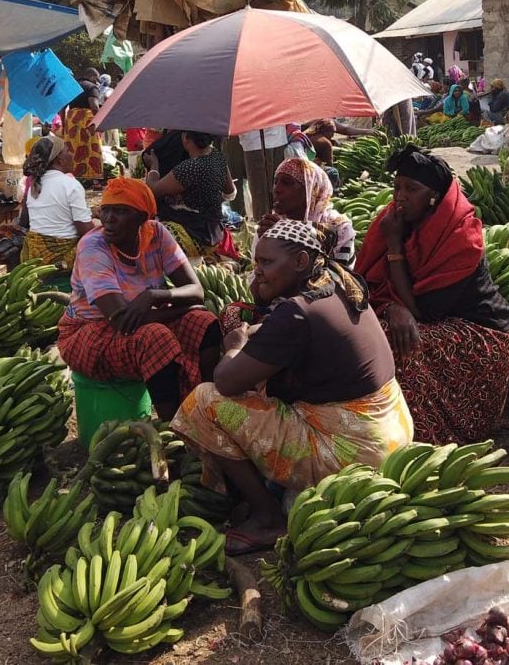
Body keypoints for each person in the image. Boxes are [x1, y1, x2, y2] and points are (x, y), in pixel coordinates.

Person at [172, 220, 411, 553]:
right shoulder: (337, 282)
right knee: (260, 381)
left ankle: (267, 519)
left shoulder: (297, 313)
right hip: (390, 432)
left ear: (300, 261)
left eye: (267, 263)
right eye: (255, 263)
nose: (258, 273)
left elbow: (225, 381)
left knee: (204, 402)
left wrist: (235, 345)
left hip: (352, 449)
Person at [356, 145, 509, 444]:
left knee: (396, 342)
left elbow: (423, 313)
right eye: (397, 187)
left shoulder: (460, 238)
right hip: (435, 321)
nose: (400, 196)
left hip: (481, 335)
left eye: (411, 189)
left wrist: (394, 246)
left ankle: (430, 433)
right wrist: (391, 305)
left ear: (433, 197)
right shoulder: (396, 221)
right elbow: (366, 283)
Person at [57, 177, 222, 422]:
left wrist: (154, 295)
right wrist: (178, 310)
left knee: (205, 322)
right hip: (88, 333)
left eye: (121, 211)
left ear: (143, 218)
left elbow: (196, 291)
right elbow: (121, 320)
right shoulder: (93, 247)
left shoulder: (157, 234)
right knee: (155, 338)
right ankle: (175, 426)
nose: (109, 219)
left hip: (144, 318)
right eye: (106, 210)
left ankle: (207, 404)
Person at [144, 130, 235, 260]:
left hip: (197, 235)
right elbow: (230, 193)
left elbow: (152, 190)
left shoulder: (189, 168)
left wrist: (154, 166)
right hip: (215, 232)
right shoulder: (218, 157)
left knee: (153, 229)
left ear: (185, 138)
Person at [256, 157, 356, 265]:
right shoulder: (272, 224)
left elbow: (338, 276)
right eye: (276, 182)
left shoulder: (339, 228)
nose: (277, 189)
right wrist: (266, 243)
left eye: (287, 183)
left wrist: (287, 236)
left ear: (311, 190)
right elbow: (260, 274)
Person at [20, 135, 93, 271]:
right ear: (59, 159)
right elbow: (85, 230)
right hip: (60, 258)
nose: (72, 155)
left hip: (33, 257)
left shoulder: (35, 185)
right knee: (99, 236)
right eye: (68, 151)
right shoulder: (70, 184)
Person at [64, 67, 104, 183]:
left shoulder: (72, 86)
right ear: (91, 76)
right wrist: (99, 121)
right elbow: (94, 106)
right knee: (93, 149)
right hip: (87, 120)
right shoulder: (92, 87)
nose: (97, 82)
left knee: (74, 149)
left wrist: (64, 124)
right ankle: (95, 181)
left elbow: (62, 107)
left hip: (71, 120)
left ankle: (75, 178)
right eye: (96, 79)